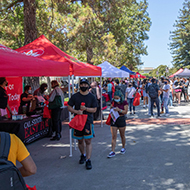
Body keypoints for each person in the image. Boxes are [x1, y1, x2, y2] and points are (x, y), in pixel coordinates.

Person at [68, 78, 97, 170]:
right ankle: (83, 155)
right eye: (82, 84)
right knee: (80, 140)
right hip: (77, 121)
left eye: (85, 84)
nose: (83, 86)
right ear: (79, 85)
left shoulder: (92, 97)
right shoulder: (75, 96)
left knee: (88, 141)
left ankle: (88, 159)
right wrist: (76, 111)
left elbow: (94, 109)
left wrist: (86, 109)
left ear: (88, 86)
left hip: (88, 121)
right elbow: (69, 107)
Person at [107, 90, 128, 158]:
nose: (116, 99)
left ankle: (123, 147)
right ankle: (113, 151)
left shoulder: (124, 102)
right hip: (114, 119)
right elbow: (111, 108)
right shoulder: (113, 102)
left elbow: (125, 111)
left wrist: (119, 110)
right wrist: (111, 109)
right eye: (115, 98)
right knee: (114, 136)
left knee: (122, 135)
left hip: (121, 119)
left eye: (117, 98)